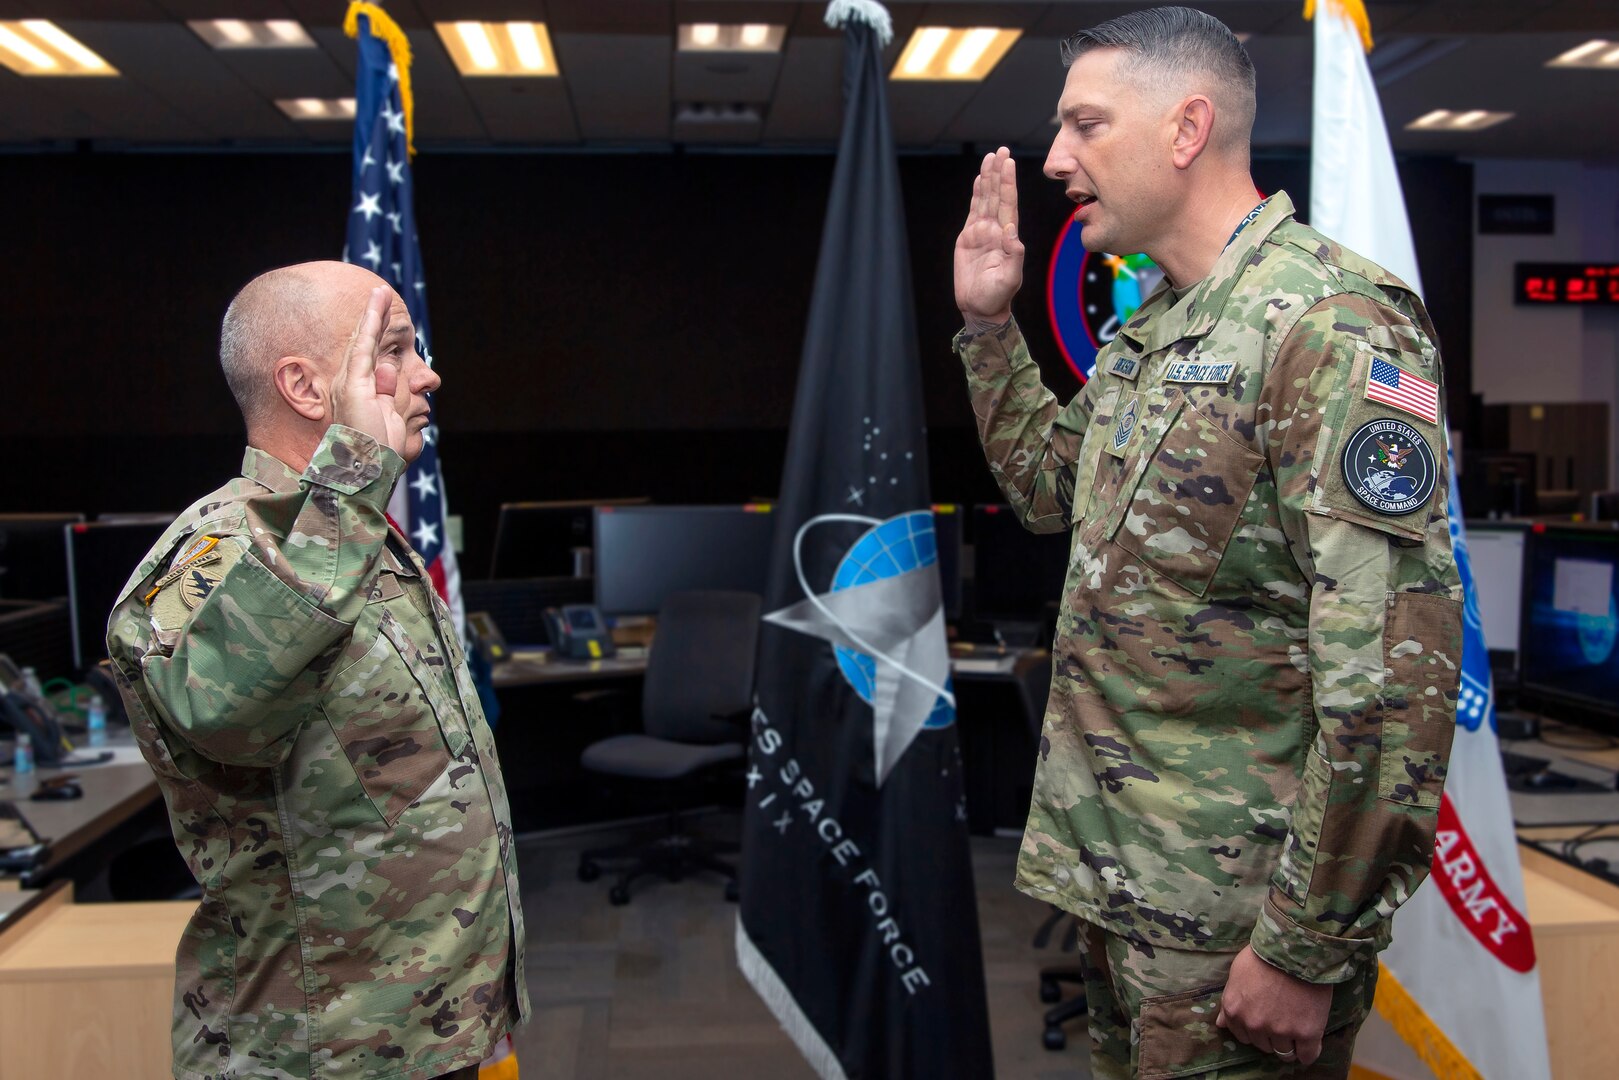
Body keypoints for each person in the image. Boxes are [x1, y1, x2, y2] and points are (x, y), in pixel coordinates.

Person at [952, 7, 1460, 1077]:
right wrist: (990, 331)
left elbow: (1389, 681)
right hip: (1126, 886)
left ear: (1185, 130)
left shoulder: (1331, 326)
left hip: (1238, 925)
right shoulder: (1154, 330)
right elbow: (1049, 494)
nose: (1055, 159)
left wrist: (1304, 946)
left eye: (1084, 125)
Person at [106, 261, 526, 1080]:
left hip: (426, 1027)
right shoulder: (221, 550)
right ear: (303, 386)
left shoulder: (357, 538)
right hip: (313, 1049)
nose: (426, 375)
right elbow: (217, 708)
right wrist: (352, 485)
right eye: (395, 350)